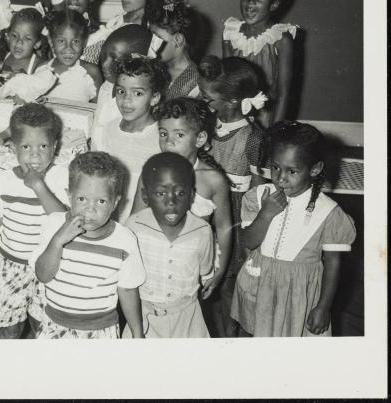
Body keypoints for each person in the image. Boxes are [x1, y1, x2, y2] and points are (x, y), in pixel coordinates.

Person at [232, 122, 356, 337]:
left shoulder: (329, 213)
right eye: (275, 167)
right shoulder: (258, 197)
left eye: (292, 171)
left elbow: (333, 264)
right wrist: (266, 214)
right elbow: (248, 242)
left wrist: (323, 307)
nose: (280, 178)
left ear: (314, 169)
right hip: (259, 287)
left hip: (299, 296)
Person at [130, 98, 233, 332]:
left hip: (190, 266)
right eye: (163, 133)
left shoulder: (212, 180)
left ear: (200, 139)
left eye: (179, 135)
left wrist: (220, 270)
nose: (168, 142)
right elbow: (134, 220)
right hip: (152, 262)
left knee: (183, 320)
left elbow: (225, 227)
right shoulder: (151, 171)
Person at [32, 151, 146, 339]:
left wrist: (138, 333)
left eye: (101, 201)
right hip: (54, 324)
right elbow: (43, 275)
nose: (90, 209)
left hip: (101, 330)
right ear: (69, 196)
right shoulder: (54, 225)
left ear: (115, 202)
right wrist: (58, 240)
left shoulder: (125, 240)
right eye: (82, 199)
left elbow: (127, 289)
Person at [0, 104, 69, 338]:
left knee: (44, 326)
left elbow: (63, 222)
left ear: (55, 147)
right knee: (9, 327)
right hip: (9, 265)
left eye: (43, 146)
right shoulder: (2, 180)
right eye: (26, 147)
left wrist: (39, 186)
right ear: (12, 148)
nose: (35, 155)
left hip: (48, 267)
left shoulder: (60, 177)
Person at [198, 55, 268, 336]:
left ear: (232, 101)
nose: (204, 102)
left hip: (236, 216)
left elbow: (260, 189)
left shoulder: (252, 137)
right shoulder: (207, 125)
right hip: (205, 207)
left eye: (208, 98)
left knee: (228, 280)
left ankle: (230, 335)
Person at [125, 152, 214, 338]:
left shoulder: (202, 231)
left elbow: (205, 273)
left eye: (180, 193)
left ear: (191, 195)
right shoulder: (134, 228)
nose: (171, 202)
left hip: (188, 319)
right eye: (161, 193)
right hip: (144, 319)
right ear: (145, 196)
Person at [92, 55, 169, 221]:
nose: (126, 100)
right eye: (121, 91)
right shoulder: (109, 128)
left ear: (154, 98)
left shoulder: (160, 138)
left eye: (137, 93)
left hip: (142, 221)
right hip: (107, 217)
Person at [223, 0, 298, 125]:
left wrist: (275, 132)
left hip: (266, 116)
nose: (250, 2)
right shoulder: (231, 34)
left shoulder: (281, 39)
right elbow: (227, 84)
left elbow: (283, 92)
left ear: (273, 4)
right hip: (236, 114)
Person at [90, 23, 156, 145]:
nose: (104, 64)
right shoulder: (106, 86)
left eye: (115, 59)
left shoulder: (136, 104)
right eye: (103, 55)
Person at [36, 9, 103, 103]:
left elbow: (99, 109)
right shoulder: (41, 69)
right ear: (51, 41)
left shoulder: (92, 72)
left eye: (75, 41)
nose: (68, 48)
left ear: (84, 42)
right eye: (61, 41)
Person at [151, 0, 201, 100]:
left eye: (157, 37)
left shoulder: (197, 83)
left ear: (178, 40)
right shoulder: (154, 68)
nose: (151, 43)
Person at [1, 8, 48, 77]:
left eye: (27, 38)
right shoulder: (1, 57)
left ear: (37, 44)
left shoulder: (39, 66)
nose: (19, 42)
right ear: (7, 36)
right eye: (15, 36)